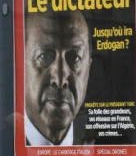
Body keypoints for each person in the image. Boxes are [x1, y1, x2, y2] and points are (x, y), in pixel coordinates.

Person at [23, 10, 92, 146]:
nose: (60, 81)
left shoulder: (99, 144)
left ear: (88, 70)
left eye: (75, 58)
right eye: (43, 57)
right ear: (20, 64)